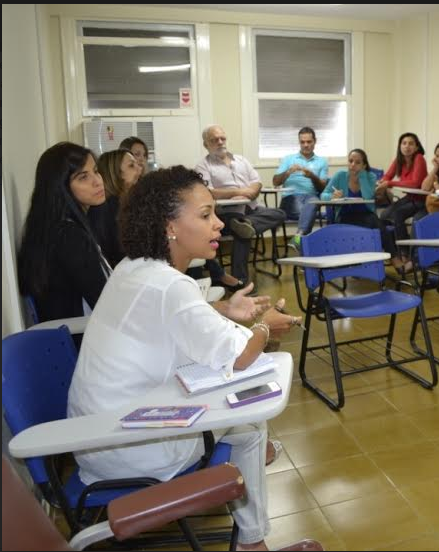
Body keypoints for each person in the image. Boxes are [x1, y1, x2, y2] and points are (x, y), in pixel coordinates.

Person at [67, 166, 300, 552]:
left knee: (245, 425)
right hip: (134, 450)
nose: (219, 224)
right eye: (206, 215)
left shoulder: (133, 266)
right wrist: (265, 326)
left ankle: (251, 534)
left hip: (97, 438)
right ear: (169, 226)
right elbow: (241, 357)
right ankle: (253, 542)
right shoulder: (171, 284)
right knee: (250, 423)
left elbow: (170, 316)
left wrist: (223, 309)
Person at [17, 142, 111, 323]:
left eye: (96, 171)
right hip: (80, 334)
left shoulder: (54, 228)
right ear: (61, 187)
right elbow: (104, 304)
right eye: (83, 177)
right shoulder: (69, 237)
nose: (97, 181)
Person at [194, 125, 286, 283]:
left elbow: (256, 182)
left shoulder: (241, 160)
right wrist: (238, 192)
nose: (220, 142)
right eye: (214, 140)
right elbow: (208, 192)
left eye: (222, 138)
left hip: (251, 210)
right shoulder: (203, 165)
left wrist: (252, 192)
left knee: (280, 213)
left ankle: (246, 224)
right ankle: (240, 279)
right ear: (206, 144)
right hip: (225, 214)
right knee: (241, 232)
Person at [376, 132, 427, 271]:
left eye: (411, 143)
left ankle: (405, 254)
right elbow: (387, 176)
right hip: (409, 198)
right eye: (404, 143)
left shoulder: (419, 158)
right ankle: (394, 252)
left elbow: (415, 183)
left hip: (421, 200)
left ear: (417, 147)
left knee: (397, 214)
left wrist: (389, 183)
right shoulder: (399, 159)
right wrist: (382, 182)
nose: (407, 146)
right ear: (400, 146)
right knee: (384, 215)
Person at [271, 127, 329, 246]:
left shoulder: (322, 162)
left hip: (311, 197)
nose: (305, 145)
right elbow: (275, 182)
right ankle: (314, 218)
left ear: (315, 141)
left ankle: (298, 237)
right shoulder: (288, 159)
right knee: (310, 209)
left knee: (313, 202)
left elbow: (323, 188)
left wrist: (312, 176)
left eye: (309, 142)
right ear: (299, 142)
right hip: (291, 198)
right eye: (302, 142)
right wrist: (288, 172)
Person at [88, 148, 142, 266]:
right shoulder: (107, 207)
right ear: (116, 173)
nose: (140, 168)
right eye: (131, 166)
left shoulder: (125, 202)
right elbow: (120, 251)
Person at [320, 149, 379, 228]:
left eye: (357, 162)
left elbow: (368, 197)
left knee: (376, 227)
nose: (353, 164)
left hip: (367, 214)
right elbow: (323, 195)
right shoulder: (340, 175)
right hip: (345, 215)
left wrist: (362, 176)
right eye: (350, 161)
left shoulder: (371, 177)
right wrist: (332, 196)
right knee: (351, 228)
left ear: (364, 165)